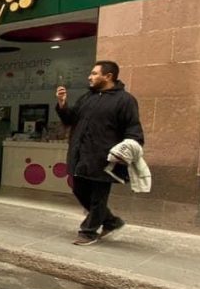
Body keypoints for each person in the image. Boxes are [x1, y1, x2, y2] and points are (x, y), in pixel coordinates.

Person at [55, 60, 144, 246]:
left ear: (108, 76)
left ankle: (88, 232)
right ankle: (111, 222)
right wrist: (62, 104)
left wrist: (129, 148)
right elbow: (70, 119)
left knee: (98, 197)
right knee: (78, 189)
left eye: (95, 73)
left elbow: (133, 129)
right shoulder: (87, 98)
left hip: (104, 158)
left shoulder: (125, 100)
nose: (90, 76)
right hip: (80, 155)